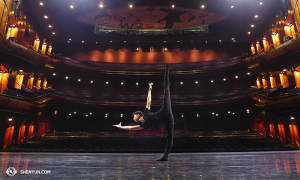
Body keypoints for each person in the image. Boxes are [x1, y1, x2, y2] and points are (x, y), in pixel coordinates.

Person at [113, 63, 174, 161]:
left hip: (166, 110)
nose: (133, 118)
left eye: (134, 117)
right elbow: (130, 127)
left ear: (138, 115)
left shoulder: (145, 112)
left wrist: (150, 89)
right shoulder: (142, 126)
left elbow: (149, 100)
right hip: (167, 119)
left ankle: (167, 70)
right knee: (169, 136)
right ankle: (165, 156)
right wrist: (120, 127)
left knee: (166, 91)